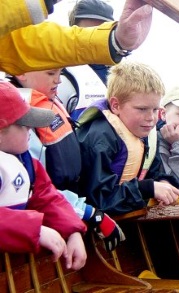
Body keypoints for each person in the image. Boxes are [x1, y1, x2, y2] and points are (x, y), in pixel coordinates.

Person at [10, 68, 125, 251]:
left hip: (60, 211)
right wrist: (37, 229)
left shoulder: (41, 110)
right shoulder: (14, 141)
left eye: (60, 73)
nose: (59, 81)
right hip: (31, 230)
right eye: (50, 74)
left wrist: (82, 218)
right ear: (21, 73)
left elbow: (42, 191)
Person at [76, 60, 179, 216]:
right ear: (115, 105)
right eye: (142, 109)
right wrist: (147, 189)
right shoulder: (100, 139)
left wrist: (163, 182)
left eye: (155, 109)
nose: (151, 118)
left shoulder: (146, 134)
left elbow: (152, 174)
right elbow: (99, 200)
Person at [0, 81, 87, 270]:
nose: (31, 130)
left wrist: (72, 230)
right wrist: (34, 230)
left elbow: (46, 196)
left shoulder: (27, 163)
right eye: (24, 125)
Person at [1, 0, 152, 76]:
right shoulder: (59, 74)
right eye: (88, 29)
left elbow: (20, 44)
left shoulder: (120, 75)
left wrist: (116, 40)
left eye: (99, 28)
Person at [58, 0, 115, 119]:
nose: (94, 38)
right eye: (88, 32)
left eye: (102, 31)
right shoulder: (57, 76)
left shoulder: (125, 74)